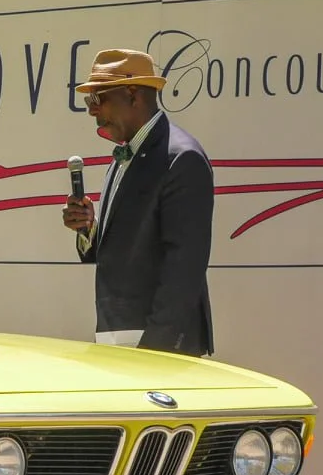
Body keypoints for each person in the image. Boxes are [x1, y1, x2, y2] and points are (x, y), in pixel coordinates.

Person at [61, 48, 213, 356]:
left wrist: (155, 349)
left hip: (158, 348)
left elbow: (185, 267)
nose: (92, 110)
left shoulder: (182, 158)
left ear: (133, 95)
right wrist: (89, 228)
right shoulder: (123, 156)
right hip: (119, 341)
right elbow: (126, 249)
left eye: (98, 98)